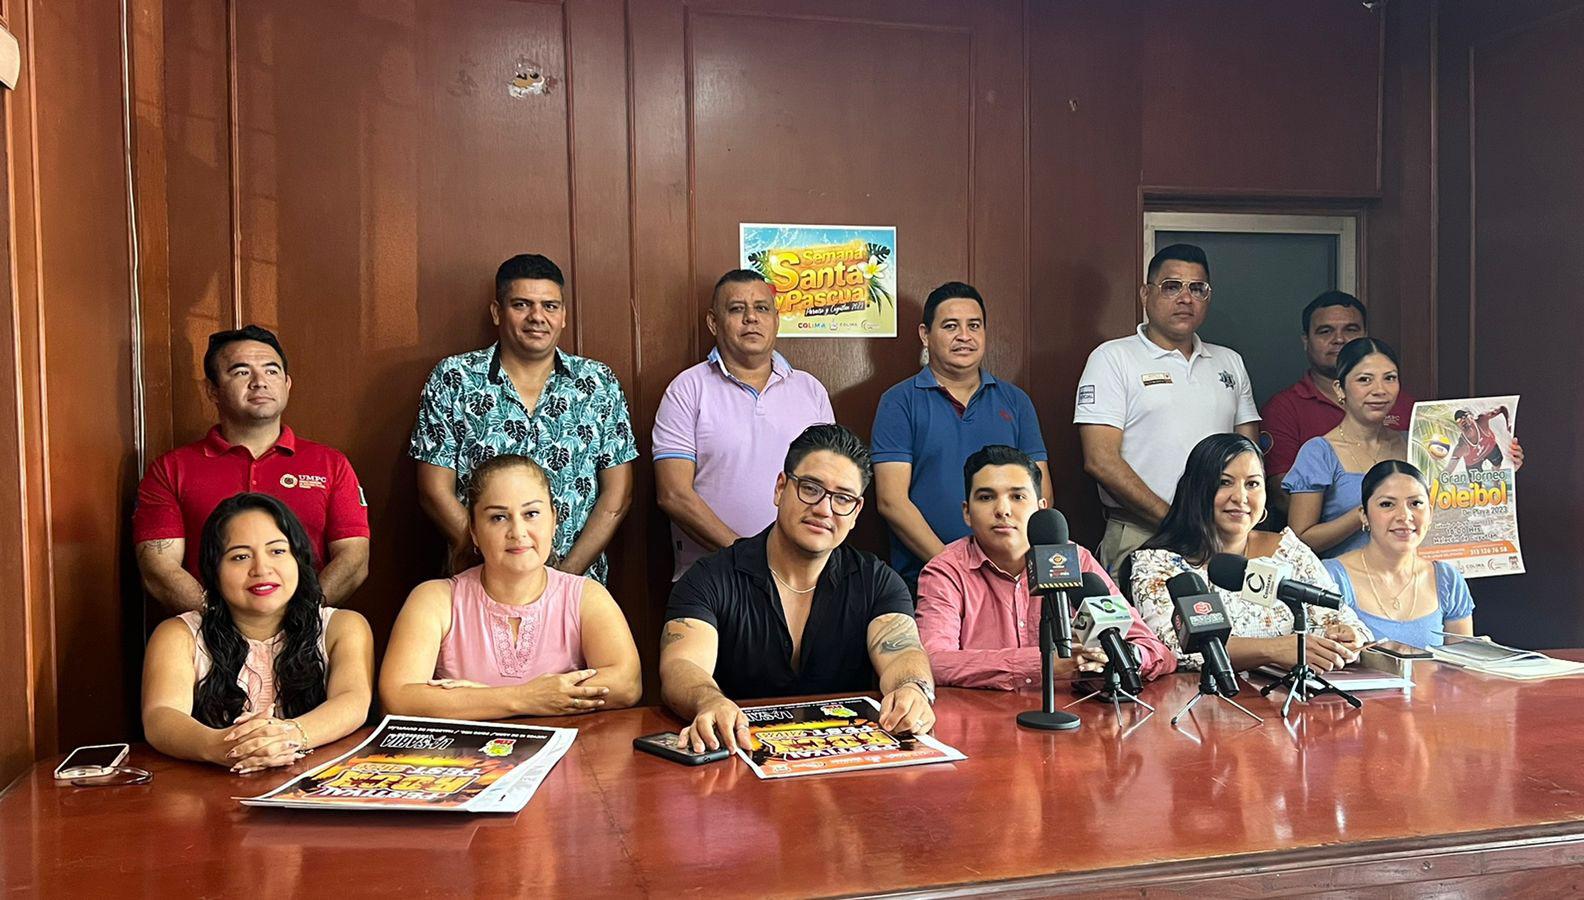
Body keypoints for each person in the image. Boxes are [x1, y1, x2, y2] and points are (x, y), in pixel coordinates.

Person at [660, 424, 936, 752]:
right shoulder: (710, 577)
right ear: (781, 488)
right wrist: (709, 701)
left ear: (856, 512)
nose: (823, 509)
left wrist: (912, 690)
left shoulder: (877, 582)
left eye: (843, 498)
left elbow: (903, 653)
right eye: (810, 488)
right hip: (734, 753)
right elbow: (681, 665)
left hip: (843, 762)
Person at [410, 253, 637, 582]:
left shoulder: (598, 382)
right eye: (521, 305)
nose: (537, 317)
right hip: (480, 582)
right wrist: (490, 560)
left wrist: (563, 579)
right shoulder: (454, 378)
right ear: (497, 312)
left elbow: (617, 495)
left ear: (563, 316)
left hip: (576, 586)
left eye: (550, 306)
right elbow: (434, 490)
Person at [380, 454, 642, 719]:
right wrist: (524, 698)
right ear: (474, 530)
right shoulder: (435, 599)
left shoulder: (586, 595)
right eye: (498, 518)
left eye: (531, 514)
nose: (518, 532)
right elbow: (398, 697)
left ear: (554, 520)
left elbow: (626, 684)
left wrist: (477, 699)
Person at [134, 325, 371, 612]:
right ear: (212, 390)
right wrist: (223, 624)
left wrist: (300, 620)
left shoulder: (331, 464)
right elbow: (158, 567)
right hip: (205, 629)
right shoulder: (170, 469)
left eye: (271, 371)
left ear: (287, 384)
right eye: (241, 372)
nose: (260, 382)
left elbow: (354, 558)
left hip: (309, 625)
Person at [141, 493, 374, 773]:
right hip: (213, 788)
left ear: (298, 559)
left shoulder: (342, 627)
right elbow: (161, 717)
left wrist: (287, 735)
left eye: (277, 551)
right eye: (240, 557)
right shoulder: (179, 635)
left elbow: (352, 700)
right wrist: (221, 746)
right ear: (214, 570)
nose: (261, 569)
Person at [916, 445, 1174, 690]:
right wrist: (1043, 664)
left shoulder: (1074, 559)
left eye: (1017, 497)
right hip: (982, 715)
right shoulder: (947, 570)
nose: (1003, 510)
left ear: (1041, 508)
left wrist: (1117, 656)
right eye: (986, 497)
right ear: (967, 512)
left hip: (1076, 715)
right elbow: (934, 662)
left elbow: (1155, 651)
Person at [1075, 244, 1259, 573]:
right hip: (1142, 531)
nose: (1186, 298)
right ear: (1146, 294)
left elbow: (1248, 454)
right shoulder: (1113, 358)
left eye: (1197, 288)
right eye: (1172, 286)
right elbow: (1100, 460)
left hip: (1223, 536)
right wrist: (1178, 524)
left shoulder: (1229, 362)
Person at [1128, 433, 1373, 673]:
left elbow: (1342, 621)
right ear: (1196, 491)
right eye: (1225, 482)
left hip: (1288, 693)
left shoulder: (1288, 550)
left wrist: (1347, 636)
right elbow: (1179, 650)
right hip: (1198, 695)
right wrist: (1274, 650)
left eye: (1252, 484)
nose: (1240, 497)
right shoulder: (1159, 563)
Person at [654, 269, 834, 581]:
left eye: (762, 308)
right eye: (737, 309)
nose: (751, 318)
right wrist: (747, 557)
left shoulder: (811, 391)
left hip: (799, 578)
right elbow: (674, 494)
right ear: (714, 322)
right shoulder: (687, 389)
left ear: (776, 320)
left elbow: (830, 483)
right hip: (711, 578)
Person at [873, 281, 1050, 587]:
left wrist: (1007, 566)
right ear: (925, 335)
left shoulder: (1016, 401)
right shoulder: (899, 402)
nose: (964, 336)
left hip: (1011, 579)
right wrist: (954, 570)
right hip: (927, 578)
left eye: (974, 325)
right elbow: (892, 501)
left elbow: (1040, 491)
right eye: (950, 326)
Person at [1260, 291, 1416, 484]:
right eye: (1325, 331)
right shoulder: (1283, 409)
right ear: (1306, 341)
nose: (1339, 339)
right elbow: (1284, 492)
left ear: (1365, 335)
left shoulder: (1403, 404)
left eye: (1351, 330)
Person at [1322, 461, 1474, 648]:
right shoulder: (1330, 578)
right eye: (1387, 504)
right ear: (1364, 515)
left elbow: (1463, 662)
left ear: (1430, 513)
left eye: (1415, 503)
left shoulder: (1448, 580)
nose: (1404, 516)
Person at [1442, 405, 1518, 475]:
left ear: (1472, 417)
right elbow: (1448, 470)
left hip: (1490, 448)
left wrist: (1509, 423)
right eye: (1459, 421)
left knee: (1497, 465)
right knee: (1476, 484)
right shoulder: (1461, 447)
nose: (1463, 421)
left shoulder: (1482, 419)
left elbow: (1502, 408)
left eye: (1465, 417)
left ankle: (1496, 480)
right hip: (1473, 462)